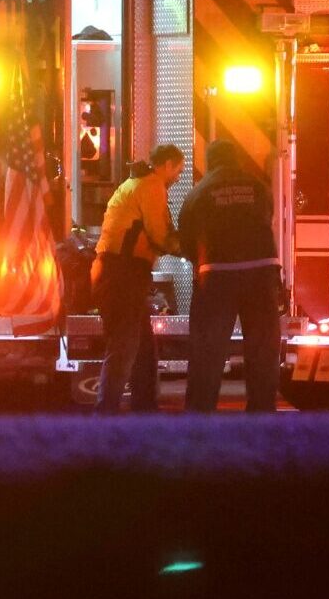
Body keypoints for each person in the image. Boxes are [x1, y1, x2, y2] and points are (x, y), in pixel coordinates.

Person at [178, 140, 281, 413]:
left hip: (217, 276)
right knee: (262, 351)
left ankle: (199, 417)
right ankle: (262, 414)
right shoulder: (257, 185)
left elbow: (185, 235)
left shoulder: (200, 192)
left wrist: (198, 260)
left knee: (207, 352)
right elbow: (267, 215)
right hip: (261, 273)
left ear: (210, 160)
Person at [92, 144, 185, 414]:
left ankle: (145, 408)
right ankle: (105, 414)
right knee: (123, 347)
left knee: (144, 350)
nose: (178, 177)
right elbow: (160, 234)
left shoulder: (133, 184)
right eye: (177, 170)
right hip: (124, 275)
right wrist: (190, 250)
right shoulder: (152, 185)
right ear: (166, 164)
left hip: (116, 274)